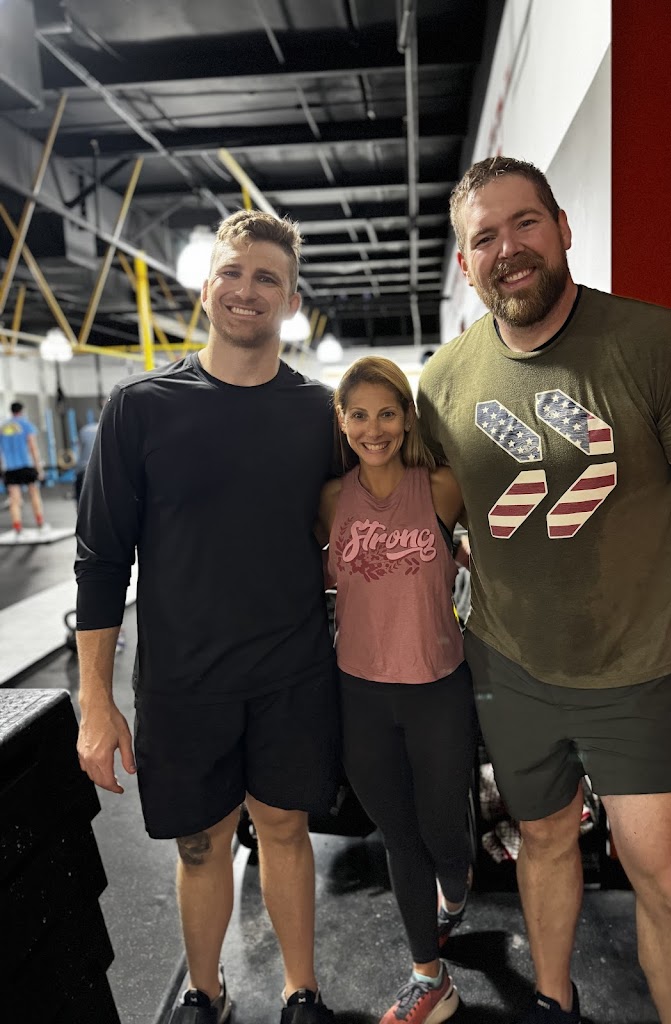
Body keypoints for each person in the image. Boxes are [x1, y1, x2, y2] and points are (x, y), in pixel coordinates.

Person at [416, 156, 671, 1024]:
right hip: (510, 667)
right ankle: (553, 1000)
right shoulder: (443, 381)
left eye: (525, 223)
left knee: (666, 879)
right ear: (465, 264)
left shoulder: (657, 344)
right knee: (541, 840)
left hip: (638, 671)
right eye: (485, 238)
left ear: (563, 227)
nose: (508, 249)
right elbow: (433, 520)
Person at [75, 209, 339, 1024]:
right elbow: (101, 561)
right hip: (184, 680)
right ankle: (207, 991)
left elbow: (358, 529)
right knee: (200, 844)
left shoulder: (321, 414)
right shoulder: (140, 408)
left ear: (291, 300)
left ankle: (301, 992)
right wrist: (95, 699)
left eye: (267, 278)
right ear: (205, 287)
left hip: (292, 672)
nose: (246, 290)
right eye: (232, 272)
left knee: (286, 828)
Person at [317, 357, 475, 1024]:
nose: (373, 428)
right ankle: (428, 977)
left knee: (442, 833)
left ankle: (458, 890)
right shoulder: (331, 500)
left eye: (387, 413)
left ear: (408, 418)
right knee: (400, 837)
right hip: (360, 697)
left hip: (437, 690)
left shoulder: (441, 487)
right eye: (358, 414)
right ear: (341, 420)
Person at [0, 400, 48, 536]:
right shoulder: (26, 424)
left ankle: (17, 527)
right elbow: (33, 447)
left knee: (14, 499)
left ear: (11, 411)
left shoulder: (3, 427)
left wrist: (2, 470)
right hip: (26, 465)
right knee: (34, 494)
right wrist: (39, 468)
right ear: (22, 411)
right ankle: (40, 523)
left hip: (10, 468)